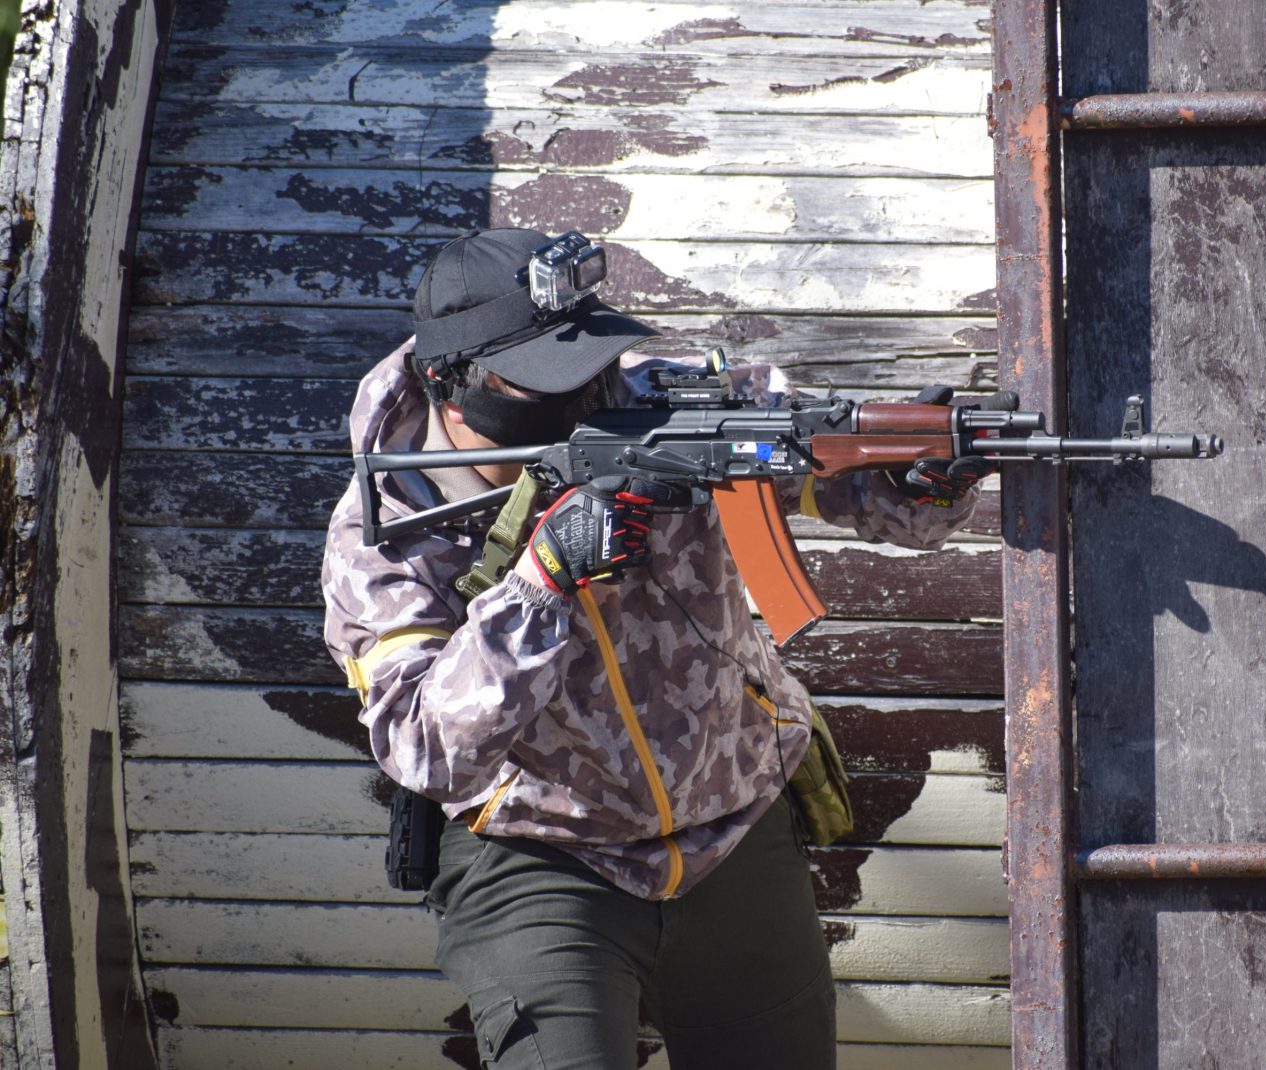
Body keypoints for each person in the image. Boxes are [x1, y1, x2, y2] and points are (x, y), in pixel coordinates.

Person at [321, 228, 985, 1069]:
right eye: (547, 378)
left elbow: (851, 485)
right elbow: (426, 748)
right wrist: (541, 583)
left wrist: (918, 477)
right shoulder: (385, 535)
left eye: (588, 361)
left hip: (733, 829)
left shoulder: (670, 404)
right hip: (541, 856)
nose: (584, 395)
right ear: (454, 388)